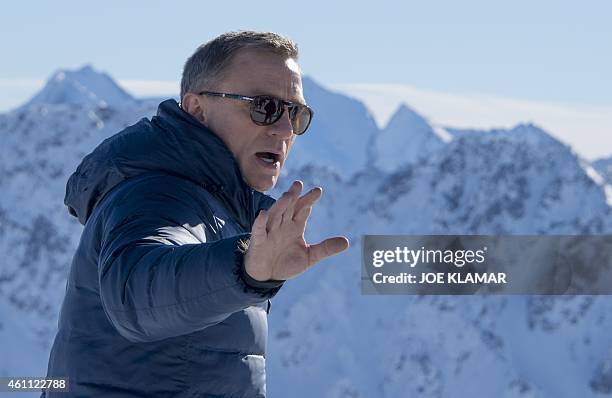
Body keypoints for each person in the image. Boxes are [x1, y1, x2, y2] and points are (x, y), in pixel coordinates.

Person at [41, 30, 349, 397]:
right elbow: (136, 294)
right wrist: (246, 269)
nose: (284, 129)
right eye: (264, 107)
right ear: (198, 110)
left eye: (296, 114)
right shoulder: (158, 196)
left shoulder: (220, 206)